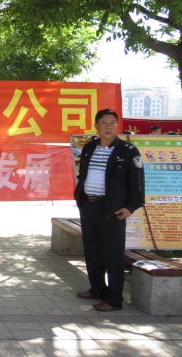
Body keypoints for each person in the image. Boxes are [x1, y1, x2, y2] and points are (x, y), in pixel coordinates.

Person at [74, 109, 145, 312]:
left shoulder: (128, 151)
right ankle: (97, 288)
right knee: (92, 250)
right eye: (104, 122)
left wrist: (130, 207)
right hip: (89, 206)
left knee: (113, 254)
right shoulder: (89, 147)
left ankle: (114, 299)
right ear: (96, 126)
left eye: (112, 122)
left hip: (113, 210)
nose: (109, 126)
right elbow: (83, 174)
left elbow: (137, 183)